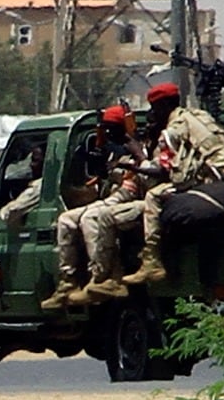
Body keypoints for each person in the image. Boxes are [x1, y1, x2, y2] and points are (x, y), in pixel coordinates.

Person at [123, 82, 224, 285]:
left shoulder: (172, 131)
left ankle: (151, 260)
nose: (153, 114)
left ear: (164, 106)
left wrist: (138, 158)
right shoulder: (200, 116)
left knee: (153, 196)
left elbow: (162, 171)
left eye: (155, 108)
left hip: (211, 180)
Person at [40, 106, 146, 309]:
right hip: (113, 196)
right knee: (66, 219)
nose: (107, 133)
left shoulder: (134, 147)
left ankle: (103, 276)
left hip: (128, 196)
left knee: (90, 217)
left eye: (111, 128)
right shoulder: (112, 150)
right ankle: (67, 281)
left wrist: (124, 164)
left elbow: (136, 179)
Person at [0, 146, 45, 225]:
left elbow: (10, 212)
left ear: (45, 162)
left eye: (35, 160)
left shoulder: (39, 187)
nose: (31, 164)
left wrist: (3, 211)